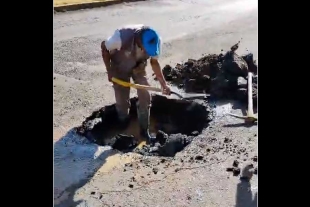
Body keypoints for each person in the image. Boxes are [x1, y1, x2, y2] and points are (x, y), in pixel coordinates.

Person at [101, 24, 171, 142]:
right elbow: (104, 47)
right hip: (119, 68)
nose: (145, 51)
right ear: (139, 41)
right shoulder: (120, 37)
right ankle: (123, 126)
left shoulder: (156, 41)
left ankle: (144, 131)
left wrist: (163, 84)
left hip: (139, 67)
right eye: (145, 48)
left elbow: (154, 62)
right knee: (122, 101)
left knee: (145, 96)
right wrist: (109, 70)